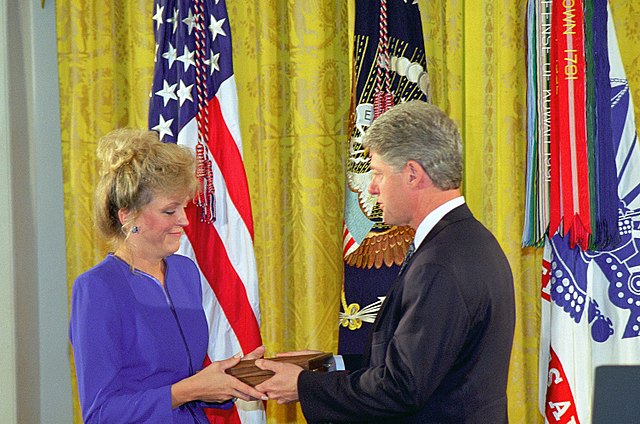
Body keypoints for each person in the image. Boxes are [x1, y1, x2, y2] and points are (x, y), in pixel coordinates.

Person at [254, 100, 516, 423]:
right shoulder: (472, 242)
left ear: (412, 174)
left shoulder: (440, 263)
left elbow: (400, 389)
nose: (373, 188)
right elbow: (414, 366)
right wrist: (326, 367)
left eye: (377, 173)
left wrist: (302, 385)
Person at [69, 129, 266, 423]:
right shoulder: (97, 287)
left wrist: (228, 379)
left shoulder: (185, 272)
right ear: (128, 216)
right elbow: (101, 414)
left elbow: (182, 380)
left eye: (183, 207)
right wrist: (189, 389)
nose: (184, 220)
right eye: (169, 211)